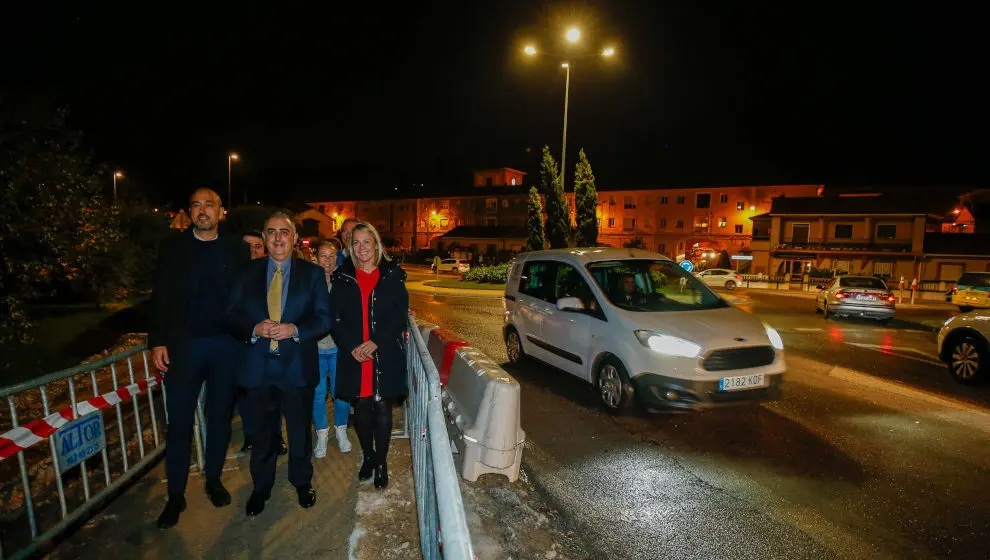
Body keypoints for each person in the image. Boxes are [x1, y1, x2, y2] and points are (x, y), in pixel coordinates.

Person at [150, 188, 250, 529]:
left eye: (210, 205)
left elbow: (245, 296)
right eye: (196, 205)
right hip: (184, 347)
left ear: (221, 212)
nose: (203, 211)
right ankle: (175, 495)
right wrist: (157, 341)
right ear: (189, 212)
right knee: (179, 423)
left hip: (226, 347)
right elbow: (160, 296)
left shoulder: (236, 248)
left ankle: (213, 479)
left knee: (219, 417)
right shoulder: (172, 248)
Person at [225, 211, 332, 517]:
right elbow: (230, 314)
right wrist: (254, 328)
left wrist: (294, 329)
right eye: (271, 232)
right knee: (261, 435)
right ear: (264, 237)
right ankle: (261, 488)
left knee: (299, 432)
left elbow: (324, 319)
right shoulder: (246, 273)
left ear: (294, 238)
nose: (277, 238)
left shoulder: (312, 274)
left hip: (296, 367)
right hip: (258, 367)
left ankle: (301, 482)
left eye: (284, 232)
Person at [330, 223, 408, 489]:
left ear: (376, 244)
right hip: (355, 354)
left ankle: (382, 462)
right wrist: (351, 346)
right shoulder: (343, 277)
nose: (361, 247)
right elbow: (335, 318)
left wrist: (375, 342)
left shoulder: (391, 275)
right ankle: (369, 456)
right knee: (361, 409)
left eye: (366, 241)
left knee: (382, 407)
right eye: (356, 243)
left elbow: (399, 316)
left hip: (382, 352)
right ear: (350, 247)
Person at [238, 231, 287, 457]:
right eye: (248, 246)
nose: (253, 251)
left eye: (257, 246)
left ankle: (276, 436)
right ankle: (251, 436)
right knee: (247, 394)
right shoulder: (238, 275)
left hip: (272, 348)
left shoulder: (274, 273)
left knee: (274, 396)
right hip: (243, 344)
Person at [314, 242, 352, 457]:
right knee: (318, 393)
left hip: (338, 348)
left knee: (341, 392)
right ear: (316, 257)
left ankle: (341, 430)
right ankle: (321, 434)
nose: (327, 260)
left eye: (331, 256)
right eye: (323, 255)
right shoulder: (309, 283)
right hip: (316, 348)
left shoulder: (342, 283)